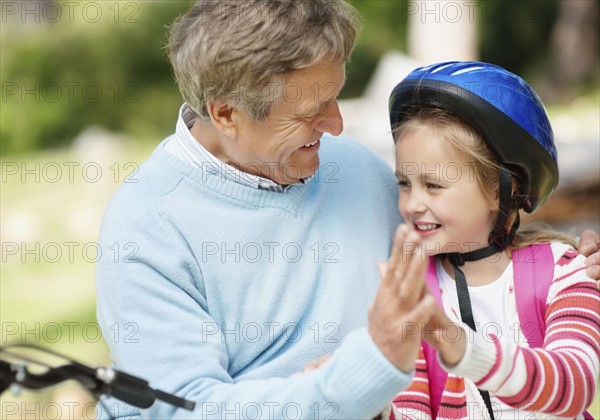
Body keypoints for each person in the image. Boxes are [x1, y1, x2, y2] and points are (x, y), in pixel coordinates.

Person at [95, 1, 600, 418]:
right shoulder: (147, 228)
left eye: (336, 97)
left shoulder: (354, 169)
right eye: (311, 110)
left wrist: (563, 260)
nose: (337, 126)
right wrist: (351, 381)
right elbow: (181, 409)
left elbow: (466, 239)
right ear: (227, 113)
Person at [385, 61, 600, 419]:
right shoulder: (414, 294)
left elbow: (573, 384)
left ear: (503, 190)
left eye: (433, 185)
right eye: (404, 183)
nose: (413, 203)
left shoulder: (565, 272)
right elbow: (411, 411)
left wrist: (463, 349)